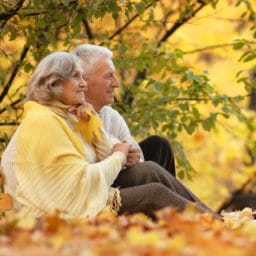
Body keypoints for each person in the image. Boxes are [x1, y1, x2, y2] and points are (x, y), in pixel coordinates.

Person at [0, 51, 221, 220]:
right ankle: (220, 228)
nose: (83, 84)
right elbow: (82, 182)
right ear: (55, 83)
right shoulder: (44, 122)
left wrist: (96, 128)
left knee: (150, 169)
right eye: (77, 77)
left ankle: (221, 220)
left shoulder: (67, 114)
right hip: (50, 212)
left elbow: (108, 151)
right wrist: (119, 157)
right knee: (154, 193)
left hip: (78, 195)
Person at [73, 44, 176, 176]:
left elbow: (139, 160)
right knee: (149, 171)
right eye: (109, 76)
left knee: (159, 145)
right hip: (98, 185)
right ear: (84, 79)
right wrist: (119, 156)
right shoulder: (66, 115)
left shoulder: (112, 116)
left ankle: (181, 197)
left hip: (118, 175)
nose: (117, 83)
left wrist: (134, 158)